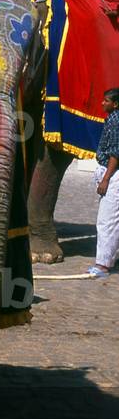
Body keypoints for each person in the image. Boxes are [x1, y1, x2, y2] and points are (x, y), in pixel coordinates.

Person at [88, 87, 119, 277]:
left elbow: (116, 152)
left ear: (115, 104)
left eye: (106, 101)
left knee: (107, 221)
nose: (102, 103)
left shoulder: (116, 121)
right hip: (110, 173)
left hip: (113, 175)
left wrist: (106, 179)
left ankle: (103, 265)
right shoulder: (112, 119)